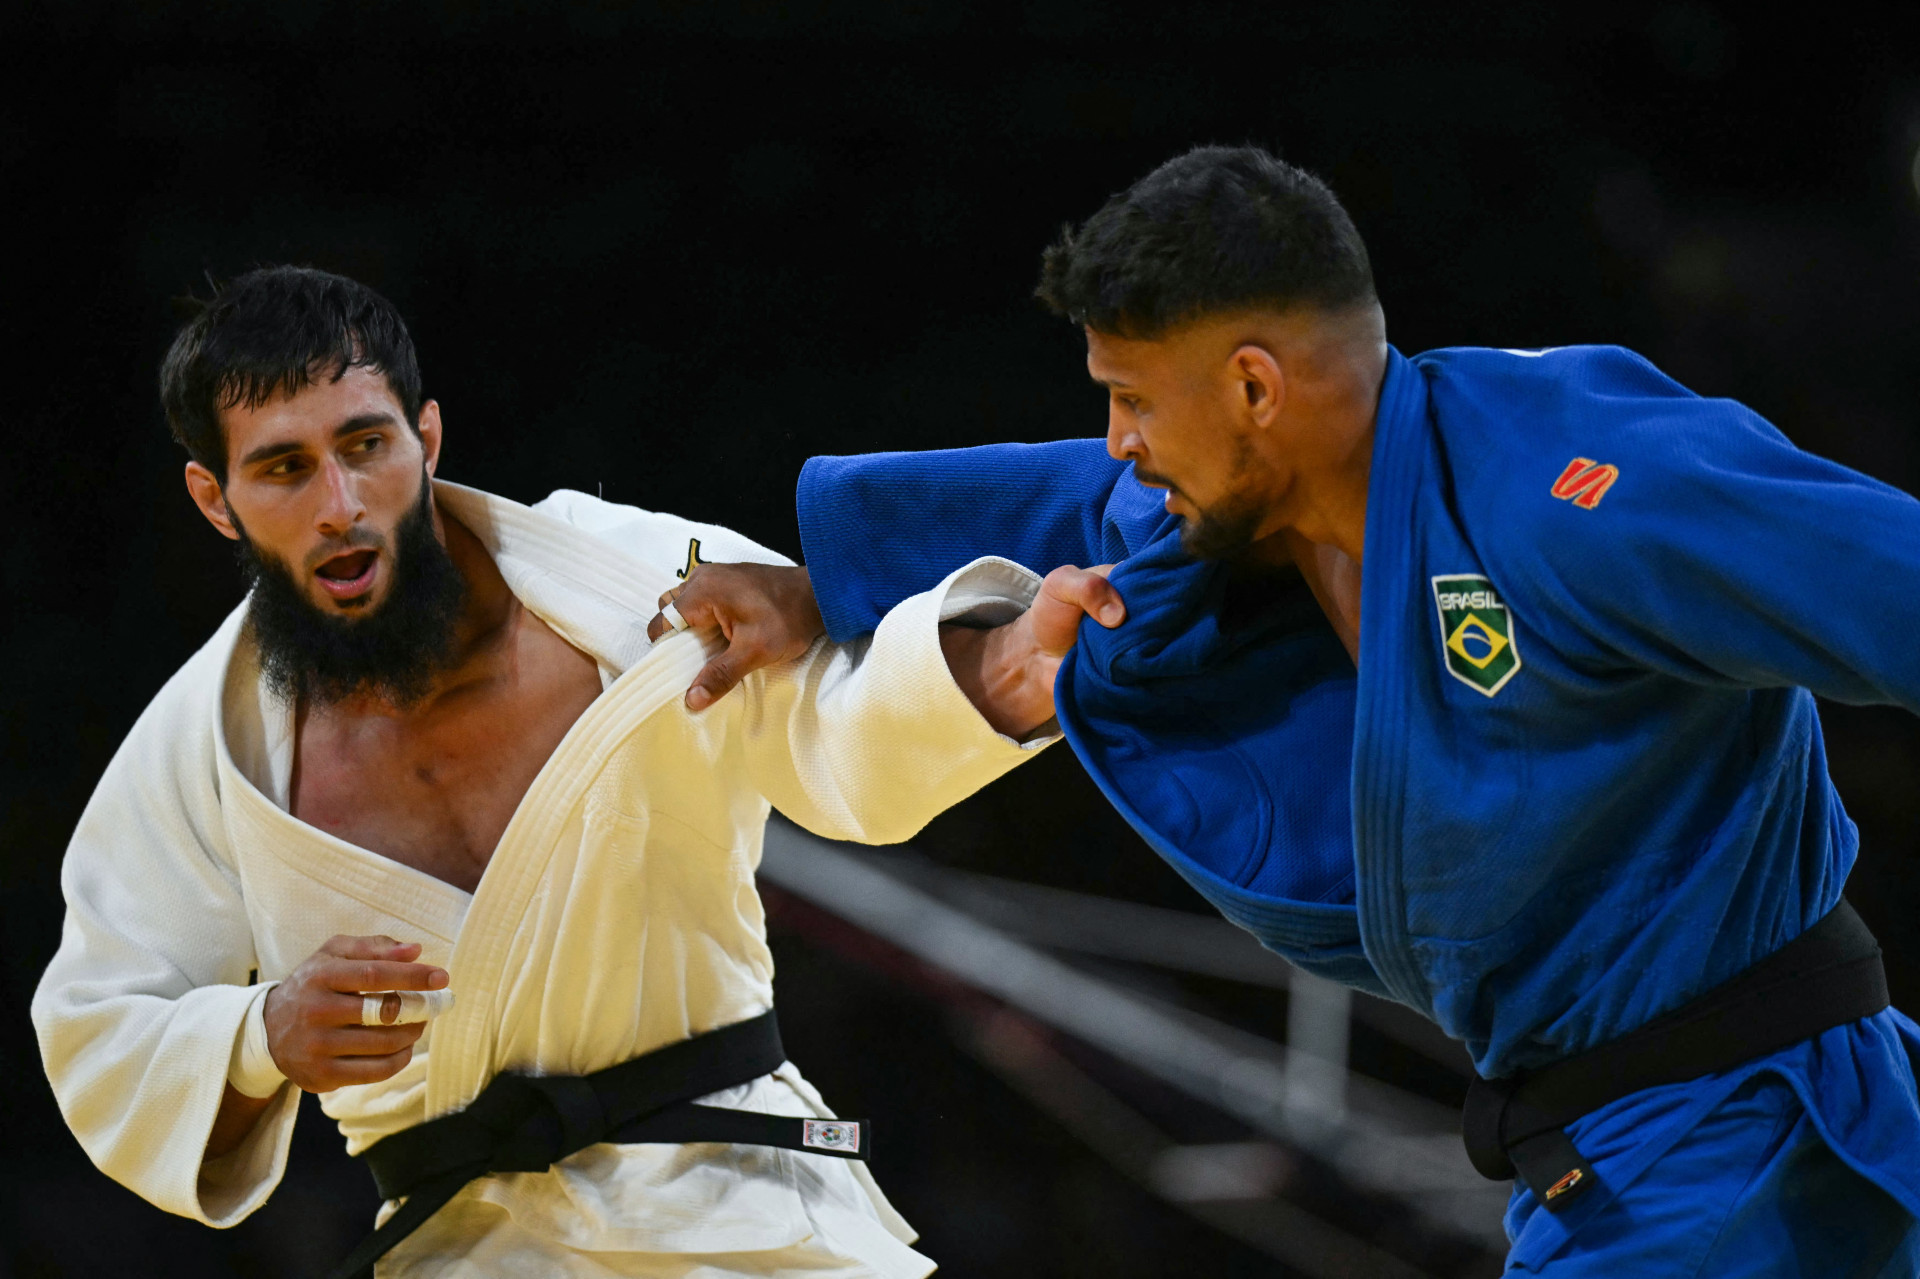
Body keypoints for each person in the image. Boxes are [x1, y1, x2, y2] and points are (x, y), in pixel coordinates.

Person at [656, 146, 1920, 1275]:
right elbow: (1067, 505)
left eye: (1136, 399)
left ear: (1256, 389)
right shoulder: (1235, 520)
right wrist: (818, 587)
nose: (1116, 439)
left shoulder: (1573, 484)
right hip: (1614, 1156)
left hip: (1749, 1134)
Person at [31, 266, 1118, 1279]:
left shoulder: (639, 568)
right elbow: (100, 1023)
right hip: (460, 1247)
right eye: (282, 468)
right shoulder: (203, 747)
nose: (340, 504)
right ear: (214, 499)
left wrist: (1009, 663)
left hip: (751, 1211)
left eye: (366, 446)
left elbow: (836, 728)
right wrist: (259, 1036)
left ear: (429, 436)